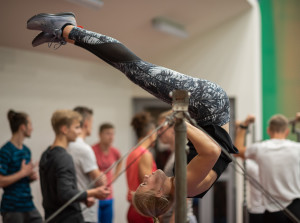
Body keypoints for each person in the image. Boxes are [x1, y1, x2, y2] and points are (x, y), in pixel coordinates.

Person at [27, 12, 238, 221]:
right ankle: (66, 29)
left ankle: (68, 34)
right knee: (135, 69)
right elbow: (212, 150)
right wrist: (181, 122)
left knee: (133, 70)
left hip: (204, 110)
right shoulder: (185, 185)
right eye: (144, 184)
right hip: (210, 104)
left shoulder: (182, 185)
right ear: (158, 193)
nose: (144, 177)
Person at [39, 109, 110, 223]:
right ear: (64, 129)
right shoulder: (64, 157)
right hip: (68, 219)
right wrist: (93, 192)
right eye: (76, 127)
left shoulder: (46, 154)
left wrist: (83, 198)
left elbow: (58, 194)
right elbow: (66, 193)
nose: (79, 132)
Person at [237, 114, 300, 223]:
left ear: (268, 130)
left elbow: (237, 150)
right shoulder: (297, 148)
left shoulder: (260, 148)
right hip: (296, 208)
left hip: (274, 211)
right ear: (287, 131)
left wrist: (244, 125)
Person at [0, 109, 43, 223]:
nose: (32, 128)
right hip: (12, 207)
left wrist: (29, 177)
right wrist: (22, 173)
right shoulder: (5, 151)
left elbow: (18, 178)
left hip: (28, 204)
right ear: (23, 127)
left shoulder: (26, 151)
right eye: (30, 124)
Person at [68, 106, 107, 223]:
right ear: (86, 123)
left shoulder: (65, 146)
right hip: (85, 211)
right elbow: (101, 181)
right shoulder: (84, 149)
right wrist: (101, 175)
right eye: (92, 122)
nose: (92, 126)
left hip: (71, 210)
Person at [157, 110, 197, 223]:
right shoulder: (173, 154)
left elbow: (187, 189)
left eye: (161, 128)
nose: (158, 132)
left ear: (173, 127)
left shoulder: (182, 153)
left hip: (181, 218)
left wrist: (174, 218)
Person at [126, 111, 158, 223]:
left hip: (134, 209)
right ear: (151, 133)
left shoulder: (132, 152)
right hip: (142, 211)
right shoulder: (145, 154)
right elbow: (148, 187)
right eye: (156, 133)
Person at [234, 115, 265, 223]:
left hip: (257, 211)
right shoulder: (266, 166)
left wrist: (241, 128)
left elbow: (238, 151)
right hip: (271, 210)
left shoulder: (252, 167)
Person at [92, 123, 122, 223]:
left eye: (112, 134)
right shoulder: (92, 150)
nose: (111, 137)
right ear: (100, 134)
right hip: (94, 195)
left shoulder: (114, 151)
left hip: (108, 195)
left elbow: (120, 160)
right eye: (108, 133)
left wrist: (115, 176)